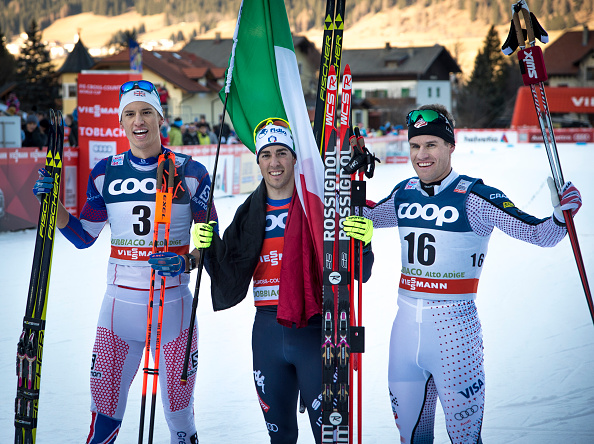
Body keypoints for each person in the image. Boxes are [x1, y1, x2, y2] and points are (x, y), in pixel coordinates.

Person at [343, 104, 582, 444]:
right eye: (415, 146)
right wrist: (345, 177)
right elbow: (364, 216)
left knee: (465, 440)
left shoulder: (475, 197)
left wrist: (561, 216)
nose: (421, 155)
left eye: (431, 145)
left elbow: (539, 234)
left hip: (455, 338)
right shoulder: (403, 192)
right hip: (404, 336)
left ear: (451, 145)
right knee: (411, 438)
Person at [33, 79, 218, 444]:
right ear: (120, 123)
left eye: (147, 112)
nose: (139, 121)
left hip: (174, 313)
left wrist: (187, 262)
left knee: (180, 419)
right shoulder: (105, 171)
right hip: (117, 313)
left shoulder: (191, 172)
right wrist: (52, 208)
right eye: (130, 114)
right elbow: (85, 236)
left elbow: (212, 241)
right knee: (103, 419)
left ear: (160, 117)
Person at [192, 119, 373, 443]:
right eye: (266, 155)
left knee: (332, 437)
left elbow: (359, 272)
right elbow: (230, 275)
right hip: (267, 334)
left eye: (281, 153)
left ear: (293, 157)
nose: (274, 163)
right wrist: (210, 246)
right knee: (281, 437)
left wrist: (364, 242)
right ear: (258, 160)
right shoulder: (249, 213)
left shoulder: (320, 204)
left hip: (320, 332)